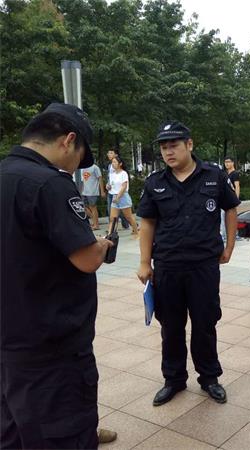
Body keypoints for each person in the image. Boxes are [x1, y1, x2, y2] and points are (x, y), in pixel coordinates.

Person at [0, 103, 115, 449]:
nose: (76, 166)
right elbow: (86, 259)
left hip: (8, 341)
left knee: (12, 431)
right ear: (68, 140)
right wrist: (102, 245)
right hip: (51, 350)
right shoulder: (50, 184)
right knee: (66, 433)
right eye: (80, 156)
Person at [136, 121, 240, 406]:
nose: (168, 152)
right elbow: (147, 223)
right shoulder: (155, 182)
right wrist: (144, 262)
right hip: (168, 266)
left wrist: (229, 247)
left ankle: (209, 378)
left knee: (205, 323)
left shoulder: (214, 176)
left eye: (174, 146)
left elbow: (231, 208)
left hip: (203, 265)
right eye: (164, 147)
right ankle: (174, 379)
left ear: (189, 145)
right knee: (171, 326)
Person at [107, 155, 139, 236]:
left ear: (120, 164)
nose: (113, 164)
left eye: (115, 162)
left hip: (123, 197)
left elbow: (124, 187)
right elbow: (110, 184)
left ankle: (136, 232)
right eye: (112, 162)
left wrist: (118, 197)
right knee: (112, 218)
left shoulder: (123, 173)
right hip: (114, 196)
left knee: (128, 217)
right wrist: (108, 186)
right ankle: (110, 235)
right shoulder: (112, 174)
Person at [106, 149, 129, 230]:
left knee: (124, 212)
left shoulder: (122, 170)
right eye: (108, 153)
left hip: (119, 193)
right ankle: (111, 230)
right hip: (111, 192)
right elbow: (110, 178)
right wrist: (108, 185)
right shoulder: (109, 166)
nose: (108, 154)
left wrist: (119, 195)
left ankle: (129, 224)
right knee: (111, 211)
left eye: (111, 153)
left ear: (116, 155)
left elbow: (124, 183)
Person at [80, 163, 106, 230]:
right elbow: (83, 181)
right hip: (85, 192)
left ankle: (96, 225)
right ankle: (94, 221)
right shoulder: (83, 168)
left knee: (93, 207)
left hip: (93, 191)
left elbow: (100, 178)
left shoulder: (95, 167)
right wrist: (81, 191)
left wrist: (102, 191)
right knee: (83, 207)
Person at [221, 156, 241, 241]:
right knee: (224, 217)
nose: (227, 164)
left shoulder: (235, 173)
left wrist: (236, 200)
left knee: (229, 217)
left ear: (233, 163)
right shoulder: (225, 173)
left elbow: (237, 186)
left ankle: (229, 235)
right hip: (224, 198)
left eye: (228, 162)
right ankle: (229, 235)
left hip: (231, 199)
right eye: (225, 162)